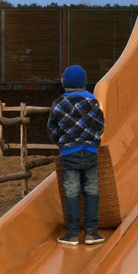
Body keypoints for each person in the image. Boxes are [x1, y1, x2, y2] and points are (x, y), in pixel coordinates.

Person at [48, 64, 106, 246]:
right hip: (89, 151)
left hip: (69, 153)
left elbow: (52, 128)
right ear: (84, 82)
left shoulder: (58, 104)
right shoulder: (92, 102)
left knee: (71, 192)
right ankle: (91, 233)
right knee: (91, 190)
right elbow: (100, 124)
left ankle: (72, 234)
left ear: (64, 83)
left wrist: (62, 143)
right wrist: (93, 139)